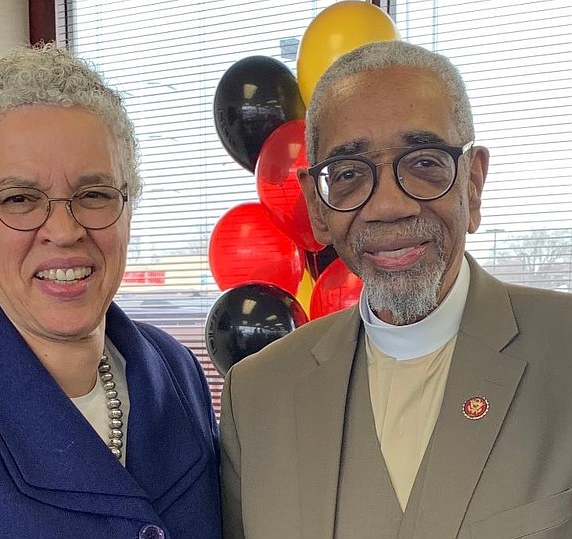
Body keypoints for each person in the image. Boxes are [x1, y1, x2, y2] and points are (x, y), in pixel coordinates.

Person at [220, 40, 572, 539]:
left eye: (424, 162)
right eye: (347, 174)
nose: (388, 205)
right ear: (316, 209)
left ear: (472, 184)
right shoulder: (256, 396)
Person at [0, 44, 221, 538]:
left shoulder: (176, 369)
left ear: (128, 205)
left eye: (93, 194)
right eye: (21, 199)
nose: (65, 229)